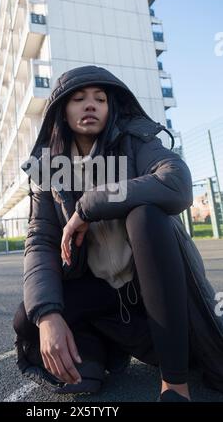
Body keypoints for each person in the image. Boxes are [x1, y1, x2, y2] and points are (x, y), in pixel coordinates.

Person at [13, 65, 223, 402]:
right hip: (105, 299)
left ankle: (174, 385)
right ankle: (91, 357)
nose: (90, 104)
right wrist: (48, 316)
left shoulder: (136, 141)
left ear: (111, 108)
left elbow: (176, 183)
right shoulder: (48, 169)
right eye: (78, 99)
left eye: (100, 98)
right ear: (62, 112)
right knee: (30, 316)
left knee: (145, 216)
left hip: (158, 299)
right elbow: (40, 240)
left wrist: (87, 207)